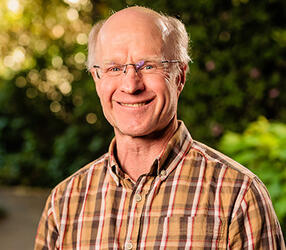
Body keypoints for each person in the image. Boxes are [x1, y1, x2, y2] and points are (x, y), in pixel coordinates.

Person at [35, 6, 285, 250]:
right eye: (114, 69)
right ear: (96, 80)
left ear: (180, 76)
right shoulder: (64, 203)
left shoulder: (238, 196)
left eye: (149, 66)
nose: (131, 85)